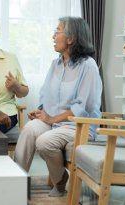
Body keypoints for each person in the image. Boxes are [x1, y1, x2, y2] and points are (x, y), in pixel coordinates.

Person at [14, 16, 102, 197]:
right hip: (53, 122)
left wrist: (52, 118)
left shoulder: (88, 66)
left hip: (78, 126)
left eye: (57, 31)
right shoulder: (55, 64)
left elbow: (83, 106)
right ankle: (15, 181)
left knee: (45, 142)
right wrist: (41, 111)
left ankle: (60, 180)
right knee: (29, 130)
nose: (53, 36)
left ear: (71, 38)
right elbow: (45, 93)